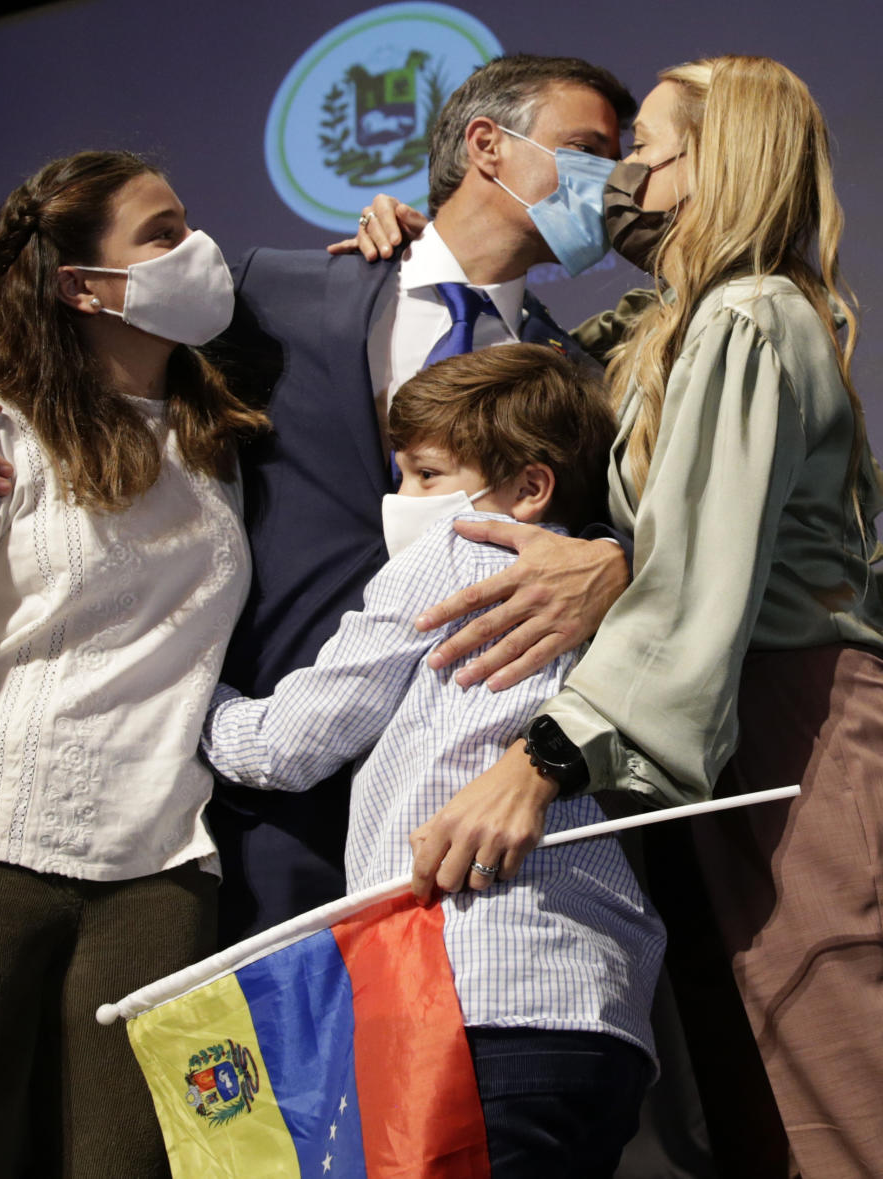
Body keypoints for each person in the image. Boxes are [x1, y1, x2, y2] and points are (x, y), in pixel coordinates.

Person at [0, 55, 639, 944]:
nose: (616, 181)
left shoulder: (579, 379)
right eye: (587, 149)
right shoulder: (275, 292)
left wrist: (613, 558)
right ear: (487, 145)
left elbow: (617, 539)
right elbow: (83, 364)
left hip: (465, 810)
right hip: (260, 801)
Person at [366, 56, 883, 1179]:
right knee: (764, 1097)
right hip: (724, 737)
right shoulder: (675, 324)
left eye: (644, 148)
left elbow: (696, 578)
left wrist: (539, 762)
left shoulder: (747, 317)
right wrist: (412, 253)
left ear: (718, 162)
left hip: (795, 725)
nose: (620, 176)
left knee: (836, 1085)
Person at [201, 343, 666, 1178]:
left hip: (469, 1003)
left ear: (528, 488)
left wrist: (190, 696)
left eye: (424, 473)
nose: (400, 499)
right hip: (606, 1019)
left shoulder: (455, 558)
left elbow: (284, 744)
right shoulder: (636, 596)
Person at [0, 150, 267, 1177]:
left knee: (145, 1160)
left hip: (163, 864)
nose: (196, 249)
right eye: (162, 235)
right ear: (82, 285)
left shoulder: (220, 443)